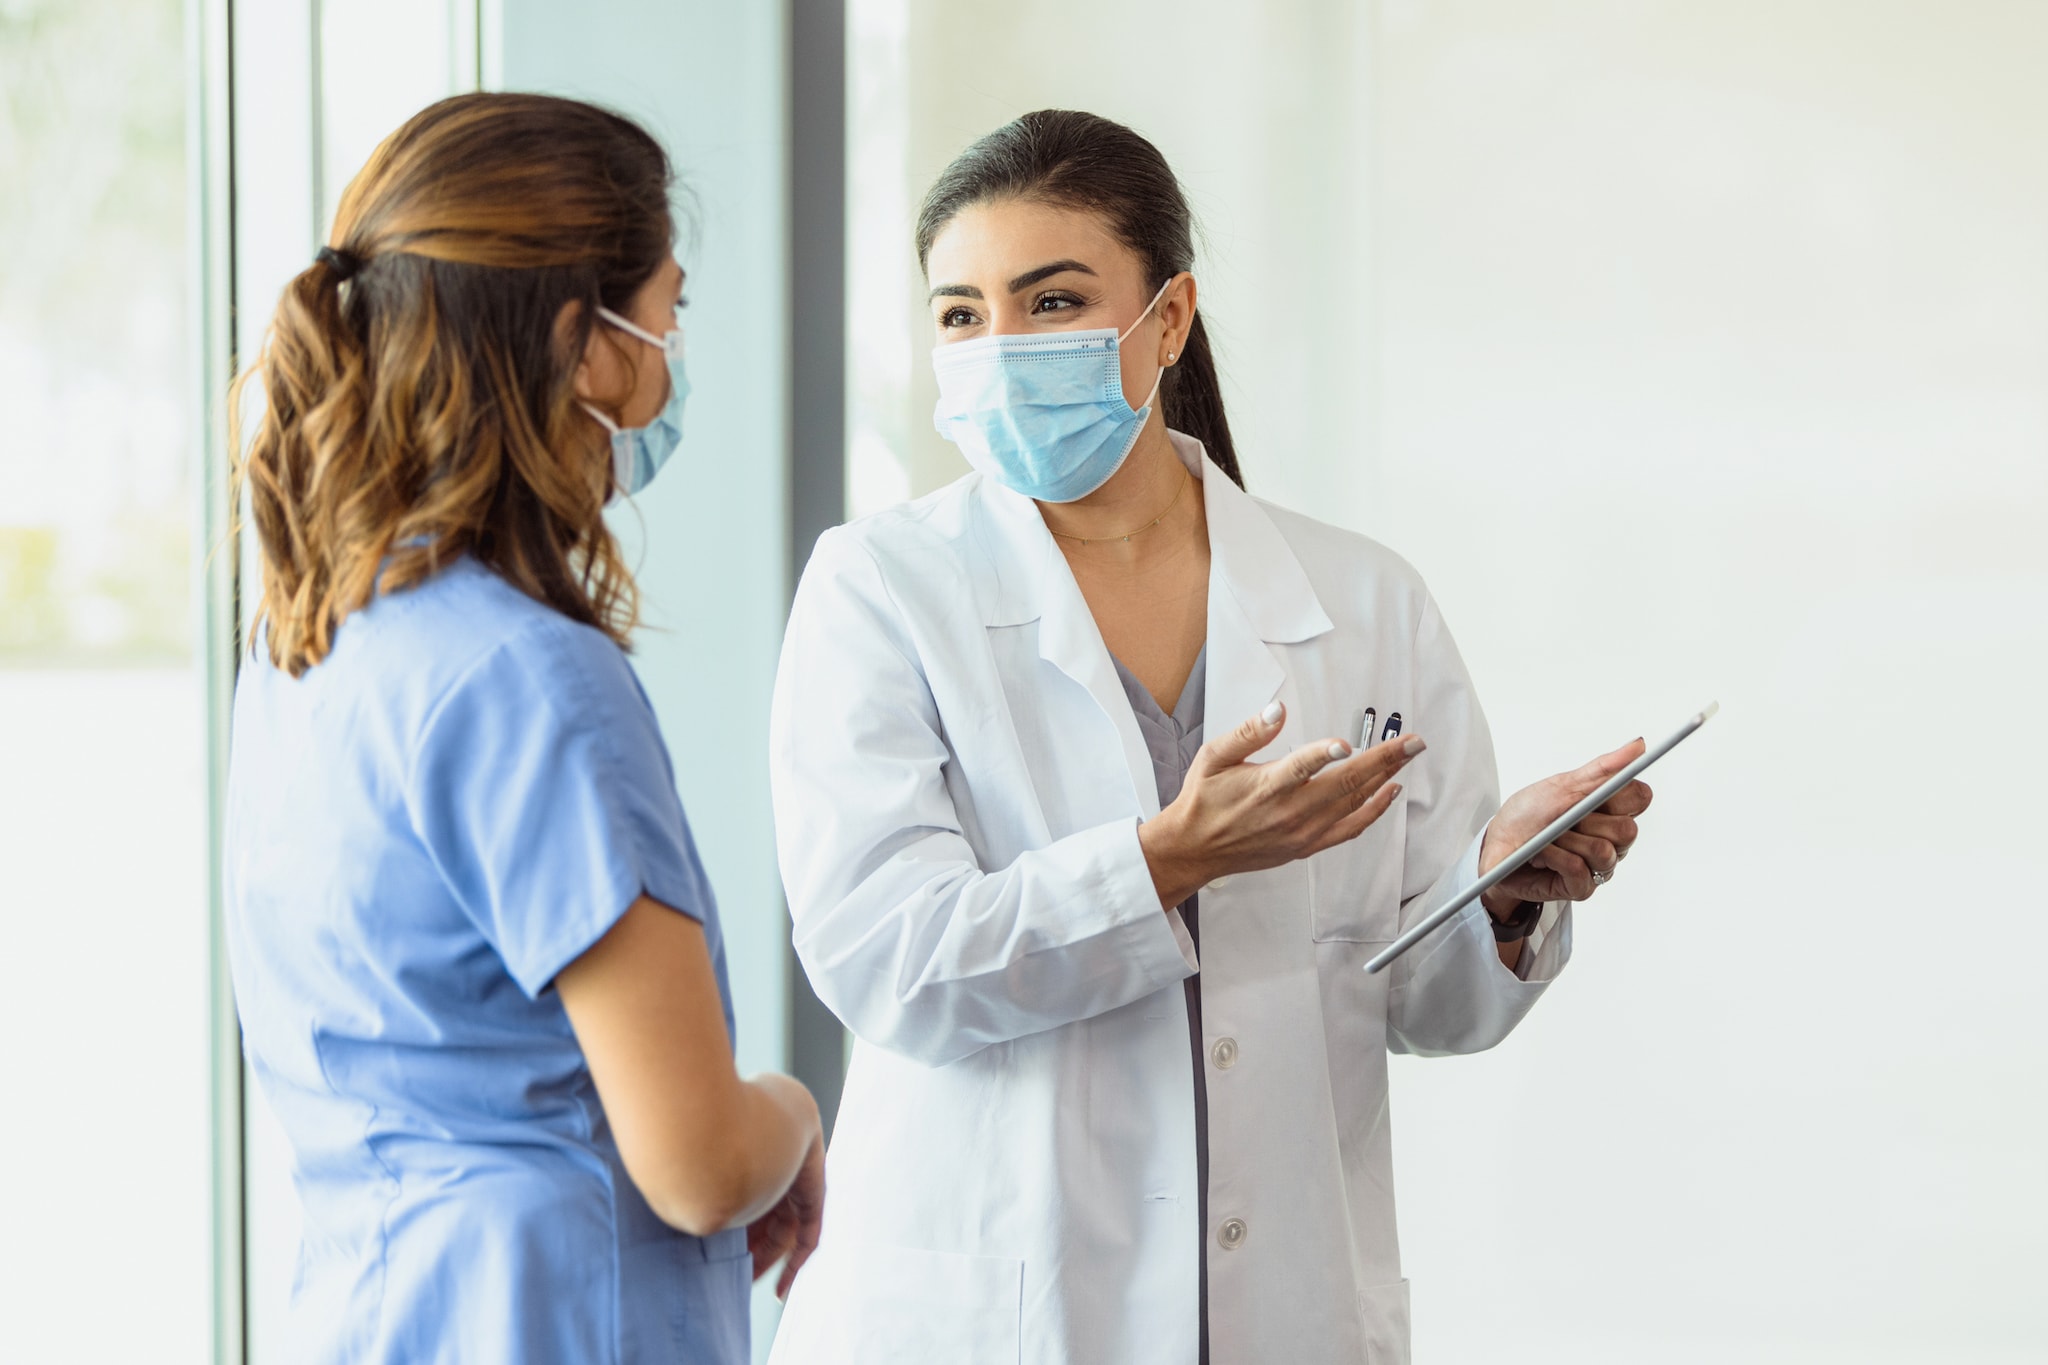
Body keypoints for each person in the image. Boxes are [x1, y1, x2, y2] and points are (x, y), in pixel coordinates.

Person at [764, 110, 1653, 1365]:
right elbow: (886, 963)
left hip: (1280, 1305)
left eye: (1052, 301)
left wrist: (1496, 894)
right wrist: (1163, 862)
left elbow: (1419, 999)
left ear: (1166, 319)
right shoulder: (879, 589)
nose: (1000, 349)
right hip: (996, 1311)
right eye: (961, 315)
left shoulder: (1359, 599)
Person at [222, 93, 823, 1365]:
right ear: (583, 341)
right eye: (667, 313)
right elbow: (703, 1165)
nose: (667, 362)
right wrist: (796, 1114)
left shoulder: (308, 648)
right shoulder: (535, 680)